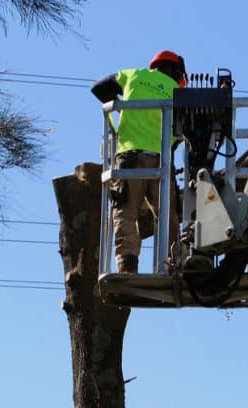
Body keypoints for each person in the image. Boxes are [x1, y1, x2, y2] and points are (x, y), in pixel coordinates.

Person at [91, 50, 187, 274]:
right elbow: (183, 131)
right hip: (161, 160)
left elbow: (99, 88)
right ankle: (175, 264)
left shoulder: (133, 75)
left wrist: (120, 106)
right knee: (169, 217)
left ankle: (127, 265)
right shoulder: (179, 93)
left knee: (125, 212)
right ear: (176, 71)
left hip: (129, 157)